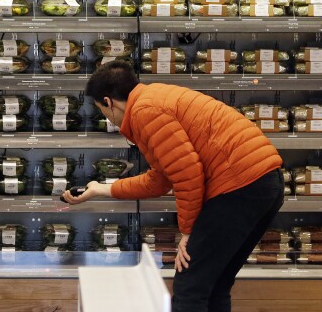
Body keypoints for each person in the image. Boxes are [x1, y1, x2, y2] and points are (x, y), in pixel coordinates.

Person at [62, 60, 283, 312]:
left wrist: (187, 233)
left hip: (239, 184)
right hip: (264, 181)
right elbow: (160, 179)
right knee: (215, 284)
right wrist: (101, 189)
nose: (106, 116)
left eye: (101, 109)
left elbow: (187, 173)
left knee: (190, 286)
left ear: (108, 102)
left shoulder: (146, 111)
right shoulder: (154, 98)